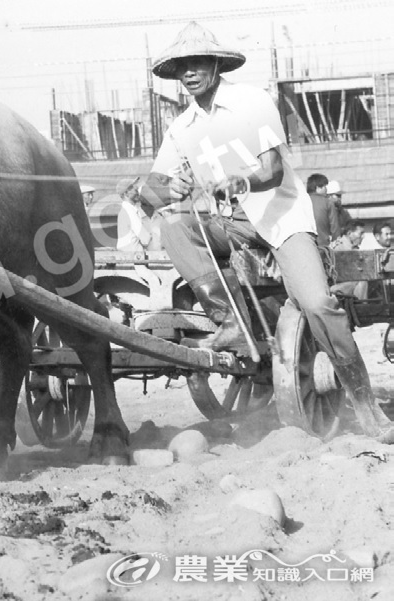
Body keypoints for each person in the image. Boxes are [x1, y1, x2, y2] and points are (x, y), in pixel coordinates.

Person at [142, 21, 392, 441]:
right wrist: (169, 186)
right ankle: (230, 322)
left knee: (316, 304)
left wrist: (238, 181)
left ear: (217, 64)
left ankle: (367, 407)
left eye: (197, 62)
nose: (189, 72)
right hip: (230, 224)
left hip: (280, 218)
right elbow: (151, 188)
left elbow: (273, 170)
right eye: (181, 65)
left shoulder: (252, 102)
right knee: (172, 223)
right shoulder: (180, 128)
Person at [330, 220, 368, 298]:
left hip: (349, 285)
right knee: (362, 282)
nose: (363, 236)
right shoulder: (338, 248)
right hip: (337, 287)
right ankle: (362, 307)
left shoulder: (353, 248)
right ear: (349, 233)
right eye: (361, 233)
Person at [114, 177, 154, 252]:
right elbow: (145, 238)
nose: (136, 189)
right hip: (133, 254)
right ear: (126, 194)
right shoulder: (129, 211)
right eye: (132, 187)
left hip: (130, 252)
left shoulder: (129, 209)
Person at [306, 173, 340, 246]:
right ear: (318, 188)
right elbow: (334, 226)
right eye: (324, 187)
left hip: (305, 245)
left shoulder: (301, 202)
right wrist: (335, 240)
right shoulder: (327, 202)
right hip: (323, 245)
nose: (326, 190)